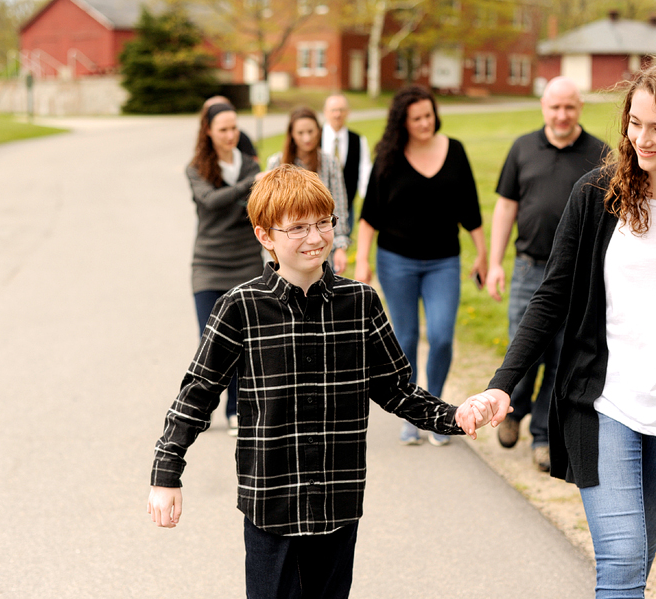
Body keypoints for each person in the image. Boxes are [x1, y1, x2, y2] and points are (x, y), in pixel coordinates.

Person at [469, 56, 656, 598]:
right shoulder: (597, 193)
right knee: (622, 565)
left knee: (633, 570)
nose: (640, 139)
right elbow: (551, 297)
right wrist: (502, 383)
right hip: (602, 403)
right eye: (634, 122)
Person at [147, 164, 501, 599]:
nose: (315, 238)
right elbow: (196, 395)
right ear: (265, 236)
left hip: (339, 502)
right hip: (270, 507)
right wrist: (167, 475)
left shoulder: (362, 303)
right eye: (297, 227)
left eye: (323, 223)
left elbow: (396, 389)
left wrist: (455, 415)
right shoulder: (239, 308)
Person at [486, 77, 610, 471]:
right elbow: (505, 208)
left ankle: (542, 435)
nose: (561, 115)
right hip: (528, 268)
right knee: (524, 348)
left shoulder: (600, 154)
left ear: (580, 108)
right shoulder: (522, 148)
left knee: (560, 359)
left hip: (576, 276)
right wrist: (494, 263)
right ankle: (512, 411)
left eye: (569, 107)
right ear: (543, 106)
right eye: (554, 107)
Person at [355, 84, 487, 447]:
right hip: (396, 261)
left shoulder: (454, 150)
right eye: (417, 118)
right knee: (407, 338)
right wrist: (362, 260)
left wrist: (483, 255)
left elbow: (472, 211)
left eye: (429, 115)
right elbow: (369, 217)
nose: (425, 123)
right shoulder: (388, 157)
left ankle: (438, 410)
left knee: (442, 335)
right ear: (403, 122)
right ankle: (412, 415)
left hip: (444, 261)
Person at [187, 100, 264, 436]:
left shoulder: (249, 164)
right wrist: (247, 186)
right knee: (212, 343)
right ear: (209, 132)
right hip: (208, 264)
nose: (231, 134)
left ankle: (236, 410)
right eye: (223, 129)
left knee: (244, 341)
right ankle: (201, 407)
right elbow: (211, 202)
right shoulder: (197, 169)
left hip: (246, 262)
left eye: (235, 128)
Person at [266, 106, 350, 274]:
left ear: (319, 131)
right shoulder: (277, 163)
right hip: (289, 246)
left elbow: (339, 205)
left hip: (320, 244)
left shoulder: (329, 163)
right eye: (300, 133)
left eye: (311, 131)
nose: (307, 138)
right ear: (292, 135)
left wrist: (340, 246)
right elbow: (270, 213)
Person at [321, 93, 372, 232]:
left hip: (346, 208)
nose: (337, 114)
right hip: (317, 208)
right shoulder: (315, 137)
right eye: (333, 110)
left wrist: (367, 200)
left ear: (348, 112)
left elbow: (365, 171)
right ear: (325, 112)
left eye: (341, 110)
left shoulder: (358, 140)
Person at [203, 95, 258, 160]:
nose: (230, 136)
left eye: (234, 128)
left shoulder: (242, 138)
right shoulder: (200, 164)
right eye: (223, 130)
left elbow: (255, 160)